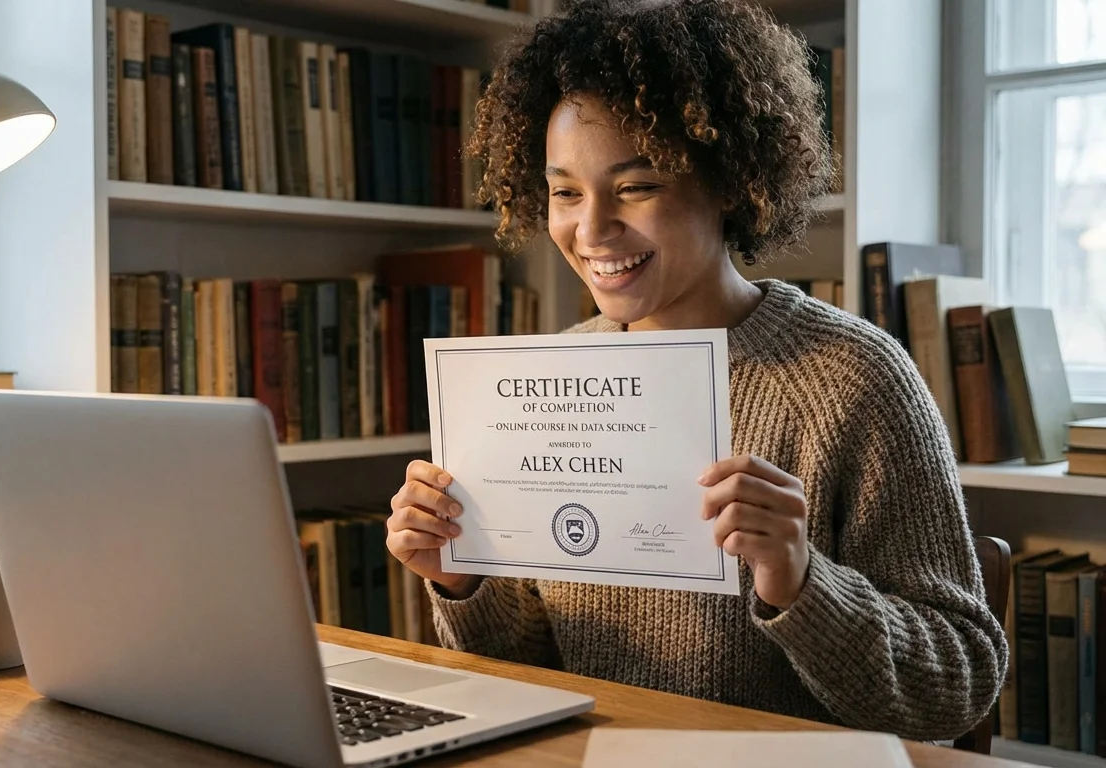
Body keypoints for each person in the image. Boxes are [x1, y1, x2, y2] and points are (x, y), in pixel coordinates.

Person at [384, 0, 1008, 743]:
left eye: (637, 186)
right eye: (565, 192)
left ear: (730, 181)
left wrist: (802, 581)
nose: (591, 229)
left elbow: (957, 687)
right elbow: (533, 676)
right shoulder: (554, 375)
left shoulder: (855, 377)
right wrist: (463, 577)